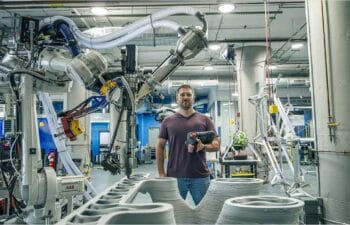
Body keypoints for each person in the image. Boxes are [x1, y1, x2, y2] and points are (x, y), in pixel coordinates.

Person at [156, 84, 220, 205]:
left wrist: (204, 147)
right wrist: (161, 173)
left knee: (204, 213)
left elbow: (216, 144)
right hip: (175, 177)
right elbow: (160, 146)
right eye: (182, 95)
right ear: (177, 98)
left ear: (193, 98)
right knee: (175, 214)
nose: (185, 97)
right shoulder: (168, 121)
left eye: (189, 94)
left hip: (200, 177)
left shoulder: (205, 120)